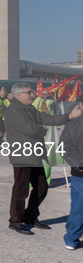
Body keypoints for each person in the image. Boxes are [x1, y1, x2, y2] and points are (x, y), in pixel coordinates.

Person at [4, 82, 82, 236]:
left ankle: (30, 216)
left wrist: (69, 116)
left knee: (41, 186)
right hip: (22, 155)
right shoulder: (13, 110)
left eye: (32, 92)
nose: (32, 95)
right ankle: (15, 221)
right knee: (21, 190)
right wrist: (42, 128)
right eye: (29, 92)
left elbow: (47, 118)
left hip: (34, 154)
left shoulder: (30, 109)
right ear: (18, 95)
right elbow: (30, 129)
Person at [60, 96, 83, 250]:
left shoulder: (73, 125)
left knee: (78, 206)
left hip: (79, 172)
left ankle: (72, 239)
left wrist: (79, 163)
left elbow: (63, 148)